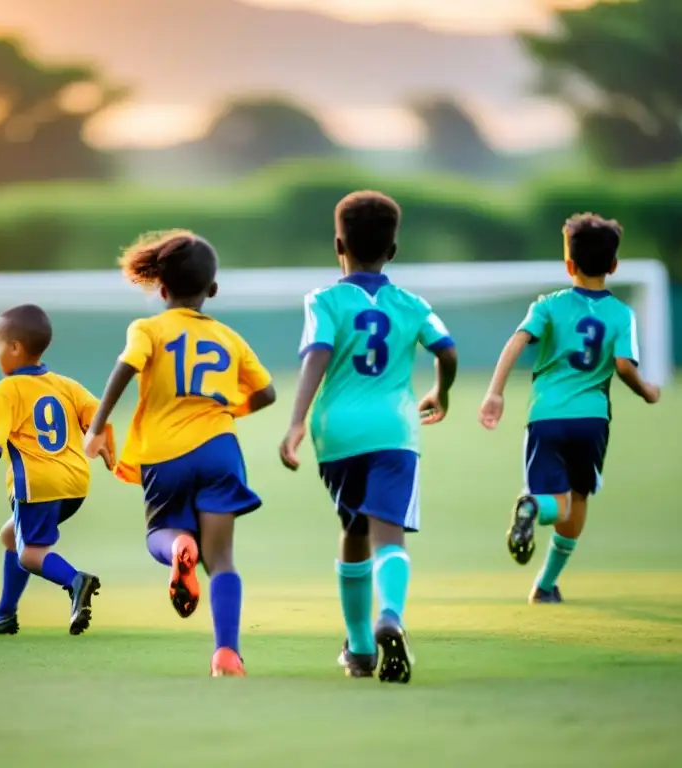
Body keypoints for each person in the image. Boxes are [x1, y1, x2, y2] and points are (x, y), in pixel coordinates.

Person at [279, 191, 458, 683]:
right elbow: (447, 349)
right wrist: (441, 392)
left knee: (354, 531)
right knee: (388, 537)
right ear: (393, 251)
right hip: (394, 432)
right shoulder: (414, 305)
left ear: (338, 244)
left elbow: (316, 354)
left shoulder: (323, 300)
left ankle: (359, 649)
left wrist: (296, 421)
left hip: (336, 435)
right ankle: (390, 617)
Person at [83, 230, 276, 677]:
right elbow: (265, 393)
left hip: (165, 454)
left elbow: (125, 367)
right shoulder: (229, 338)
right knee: (222, 558)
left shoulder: (147, 329)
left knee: (160, 537)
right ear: (212, 290)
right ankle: (227, 654)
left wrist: (97, 428)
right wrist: (227, 408)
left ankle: (178, 549)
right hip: (220, 450)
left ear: (161, 288)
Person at [479, 213, 660, 603]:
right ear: (613, 266)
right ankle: (545, 585)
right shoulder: (621, 315)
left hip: (546, 417)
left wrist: (495, 392)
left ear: (569, 265)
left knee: (554, 503)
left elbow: (515, 342)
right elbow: (625, 366)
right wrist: (646, 390)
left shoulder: (548, 306)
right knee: (576, 501)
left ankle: (532, 507)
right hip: (592, 420)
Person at [0, 304, 114, 635]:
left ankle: (75, 581)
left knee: (30, 554)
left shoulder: (9, 388)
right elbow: (97, 414)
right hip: (75, 483)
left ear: (15, 348)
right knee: (10, 535)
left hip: (38, 485)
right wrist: (105, 449)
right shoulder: (64, 384)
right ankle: (5, 614)